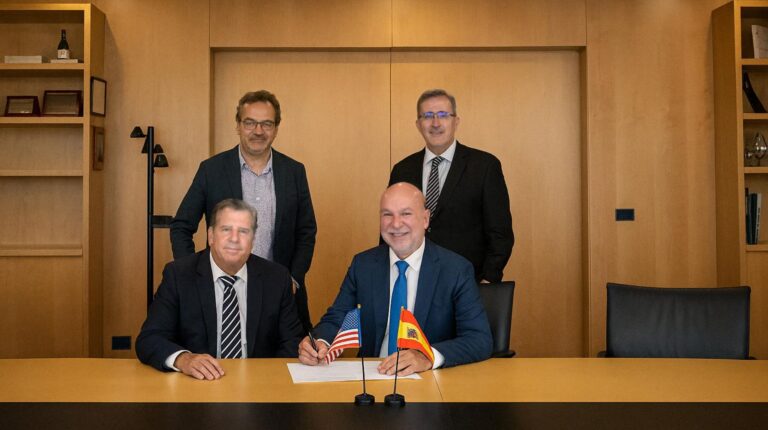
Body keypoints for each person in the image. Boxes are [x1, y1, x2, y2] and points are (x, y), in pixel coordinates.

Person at [298, 183, 492, 375]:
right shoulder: (363, 265)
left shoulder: (455, 269)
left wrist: (427, 356)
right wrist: (319, 342)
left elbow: (479, 339)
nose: (396, 224)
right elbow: (337, 318)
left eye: (406, 214)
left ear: (425, 219)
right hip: (373, 376)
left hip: (428, 379)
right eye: (387, 214)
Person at [170, 90, 317, 332]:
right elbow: (181, 227)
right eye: (250, 122)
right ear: (238, 125)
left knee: (286, 353)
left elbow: (306, 231)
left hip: (280, 293)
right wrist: (194, 275)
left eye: (266, 124)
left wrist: (293, 278)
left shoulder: (294, 172)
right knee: (223, 351)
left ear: (276, 128)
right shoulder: (211, 170)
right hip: (223, 289)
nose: (258, 131)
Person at [137, 199, 304, 380]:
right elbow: (150, 338)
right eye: (226, 230)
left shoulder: (277, 278)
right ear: (211, 236)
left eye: (243, 231)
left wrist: (265, 381)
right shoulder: (179, 275)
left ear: (253, 240)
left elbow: (292, 342)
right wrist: (183, 359)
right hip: (196, 384)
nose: (234, 239)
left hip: (257, 383)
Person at [388, 89, 513, 283]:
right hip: (413, 281)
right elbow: (390, 227)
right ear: (418, 124)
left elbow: (500, 233)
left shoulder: (484, 166)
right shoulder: (402, 170)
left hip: (467, 282)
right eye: (427, 116)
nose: (435, 123)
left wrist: (488, 280)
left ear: (456, 121)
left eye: (443, 115)